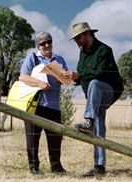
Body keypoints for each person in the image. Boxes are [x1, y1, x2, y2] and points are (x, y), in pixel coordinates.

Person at [65, 22, 123, 177]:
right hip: (95, 96)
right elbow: (82, 75)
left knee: (95, 83)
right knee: (100, 125)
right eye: (75, 38)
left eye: (79, 37)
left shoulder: (104, 50)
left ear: (88, 34)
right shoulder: (82, 53)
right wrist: (73, 79)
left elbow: (102, 74)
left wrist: (80, 76)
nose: (77, 41)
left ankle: (88, 120)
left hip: (109, 90)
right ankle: (99, 166)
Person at [19, 31, 67, 175]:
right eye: (42, 43)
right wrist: (39, 82)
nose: (46, 45)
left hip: (54, 106)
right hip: (35, 105)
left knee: (55, 139)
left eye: (49, 42)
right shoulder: (32, 58)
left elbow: (65, 78)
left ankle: (56, 167)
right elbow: (23, 77)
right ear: (38, 46)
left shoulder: (60, 59)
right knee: (33, 138)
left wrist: (62, 79)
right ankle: (34, 167)